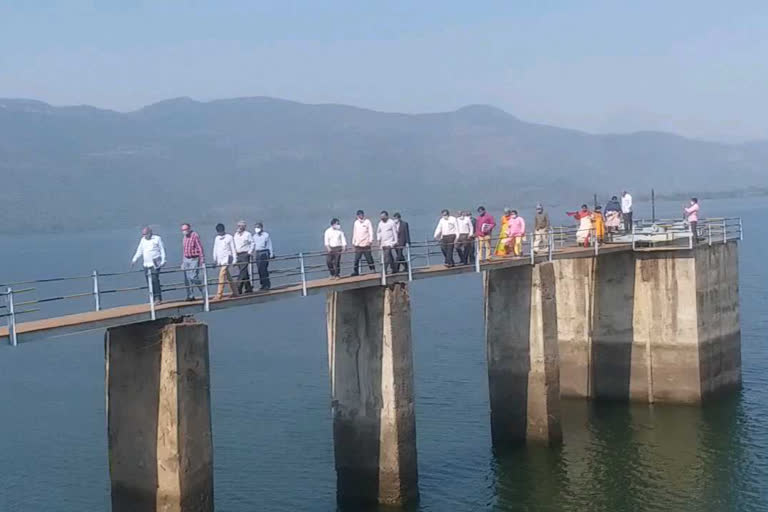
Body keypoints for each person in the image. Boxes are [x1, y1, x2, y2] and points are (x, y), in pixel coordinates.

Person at [131, 226, 166, 304]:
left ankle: (158, 298)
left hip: (155, 264)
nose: (144, 236)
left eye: (145, 234)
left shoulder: (157, 239)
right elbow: (139, 250)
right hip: (146, 264)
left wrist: (163, 260)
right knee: (149, 282)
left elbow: (162, 250)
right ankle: (153, 298)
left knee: (154, 280)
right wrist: (134, 259)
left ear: (150, 233)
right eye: (143, 234)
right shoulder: (142, 240)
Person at [212, 223, 239, 300]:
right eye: (218, 232)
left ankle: (219, 294)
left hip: (227, 259)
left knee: (221, 275)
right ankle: (235, 292)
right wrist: (215, 260)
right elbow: (215, 249)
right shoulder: (217, 238)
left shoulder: (229, 237)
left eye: (221, 231)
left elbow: (233, 249)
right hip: (220, 259)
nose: (220, 233)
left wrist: (235, 260)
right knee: (228, 277)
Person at [180, 223, 205, 301]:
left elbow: (200, 247)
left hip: (194, 258)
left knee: (193, 276)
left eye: (186, 229)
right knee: (187, 279)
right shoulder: (184, 238)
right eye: (183, 230)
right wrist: (183, 262)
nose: (184, 231)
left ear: (189, 229)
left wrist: (202, 258)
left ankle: (203, 290)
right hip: (186, 259)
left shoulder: (194, 235)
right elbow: (184, 250)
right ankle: (190, 296)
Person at [351, 210, 376, 276]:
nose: (361, 216)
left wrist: (371, 240)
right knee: (356, 259)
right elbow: (354, 232)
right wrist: (353, 242)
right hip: (358, 245)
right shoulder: (356, 223)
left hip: (366, 244)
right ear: (357, 216)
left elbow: (370, 231)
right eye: (359, 215)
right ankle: (356, 271)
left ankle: (373, 269)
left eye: (361, 214)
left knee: (369, 258)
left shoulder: (367, 222)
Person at [233, 220, 254, 294]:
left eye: (240, 226)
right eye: (238, 226)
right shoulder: (236, 234)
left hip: (245, 254)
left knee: (242, 271)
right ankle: (248, 287)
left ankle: (237, 287)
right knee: (244, 271)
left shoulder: (248, 234)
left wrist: (249, 252)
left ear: (244, 227)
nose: (239, 227)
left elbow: (252, 243)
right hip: (238, 254)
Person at [252, 222, 274, 290]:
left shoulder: (266, 235)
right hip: (257, 253)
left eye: (258, 227)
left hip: (264, 252)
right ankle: (262, 284)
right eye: (256, 227)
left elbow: (269, 245)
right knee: (259, 270)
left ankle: (267, 284)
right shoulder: (254, 236)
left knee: (263, 269)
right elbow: (253, 245)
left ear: (261, 228)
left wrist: (271, 253)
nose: (257, 229)